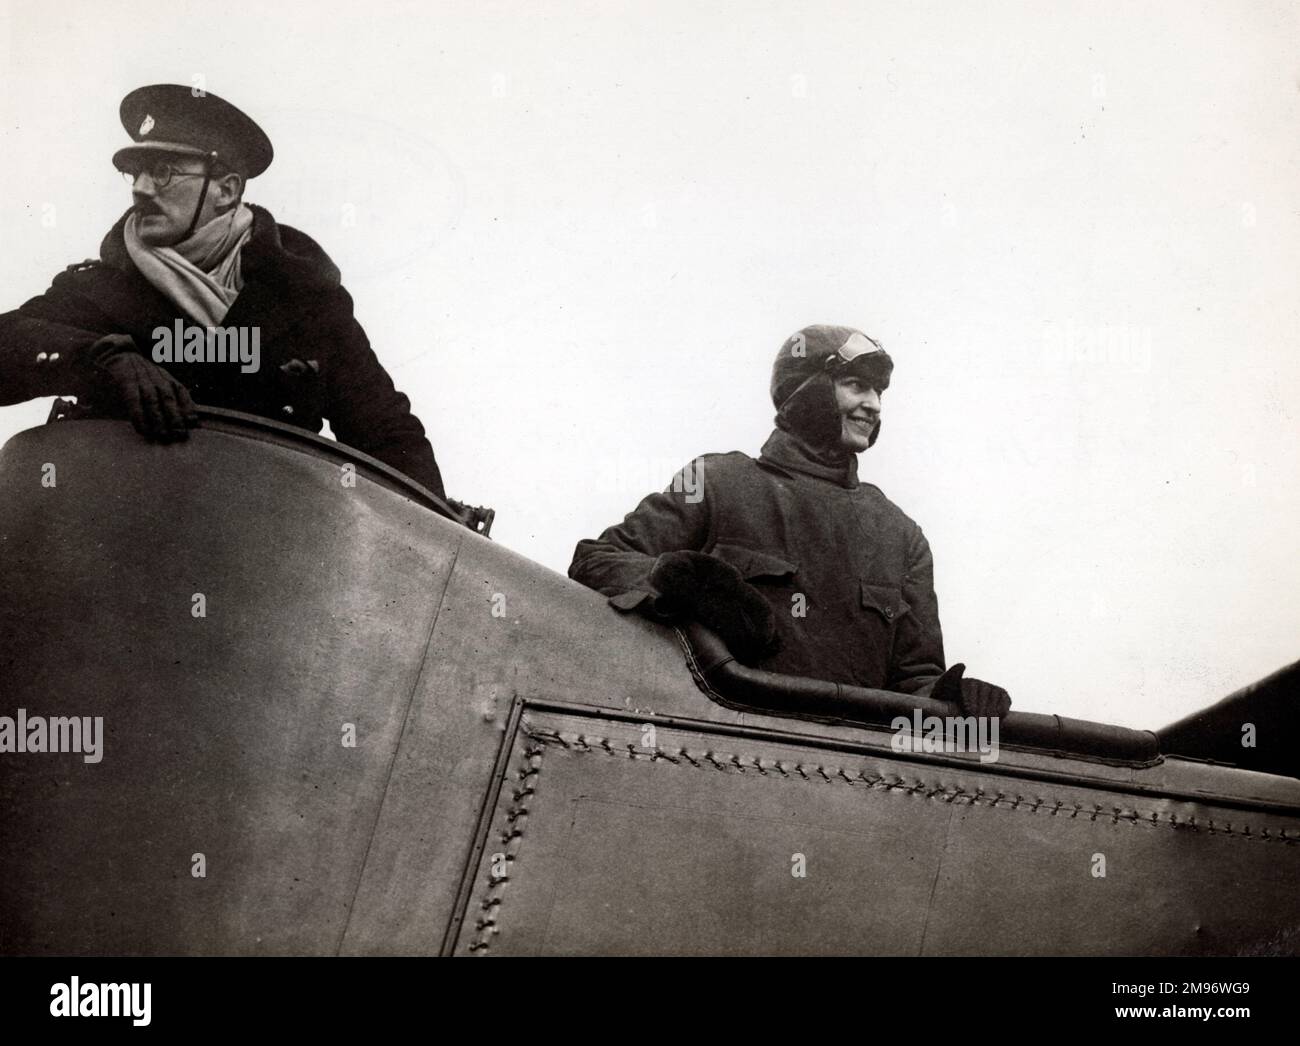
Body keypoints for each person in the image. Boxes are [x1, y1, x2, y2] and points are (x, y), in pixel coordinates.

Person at [0, 84, 446, 499]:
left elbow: (387, 434)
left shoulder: (304, 299)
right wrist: (100, 358)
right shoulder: (98, 289)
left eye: (162, 171)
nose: (140, 189)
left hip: (260, 551)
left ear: (227, 190)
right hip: (119, 538)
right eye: (134, 173)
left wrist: (442, 539)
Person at [568, 324, 1011, 717]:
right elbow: (595, 561)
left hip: (844, 773)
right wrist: (676, 581)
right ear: (808, 389)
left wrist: (953, 696)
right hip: (727, 742)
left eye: (879, 393)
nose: (874, 405)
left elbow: (914, 680)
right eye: (856, 385)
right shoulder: (720, 483)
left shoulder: (900, 535)